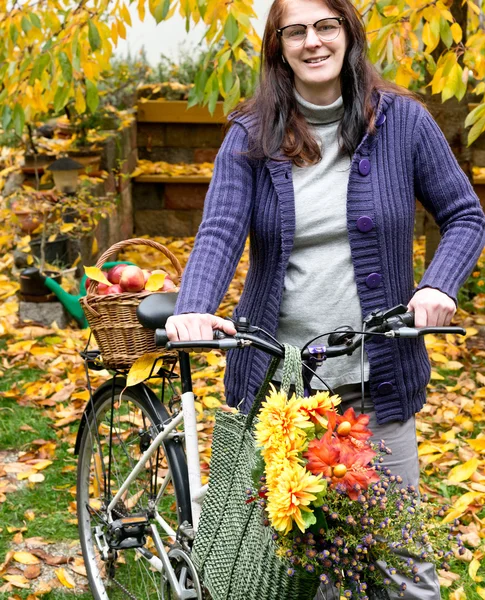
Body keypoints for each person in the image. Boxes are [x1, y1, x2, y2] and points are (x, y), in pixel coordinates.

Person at [166, 0, 485, 597]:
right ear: (278, 45)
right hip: (282, 387)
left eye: (326, 26)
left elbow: (465, 216)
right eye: (296, 31)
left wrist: (439, 283)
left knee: (401, 567)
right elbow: (220, 230)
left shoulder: (405, 125)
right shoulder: (250, 135)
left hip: (377, 377)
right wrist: (194, 305)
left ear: (348, 32)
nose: (313, 42)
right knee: (285, 574)